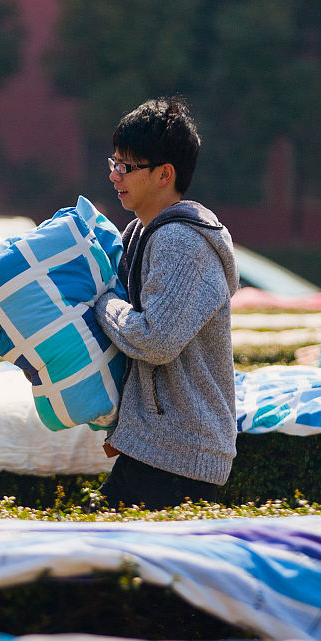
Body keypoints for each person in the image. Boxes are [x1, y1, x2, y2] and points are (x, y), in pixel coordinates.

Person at [92, 96, 240, 509]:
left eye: (127, 166)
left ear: (164, 174)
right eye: (113, 163)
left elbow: (155, 340)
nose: (115, 175)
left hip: (182, 451)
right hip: (158, 444)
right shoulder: (141, 233)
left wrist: (100, 302)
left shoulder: (181, 242)